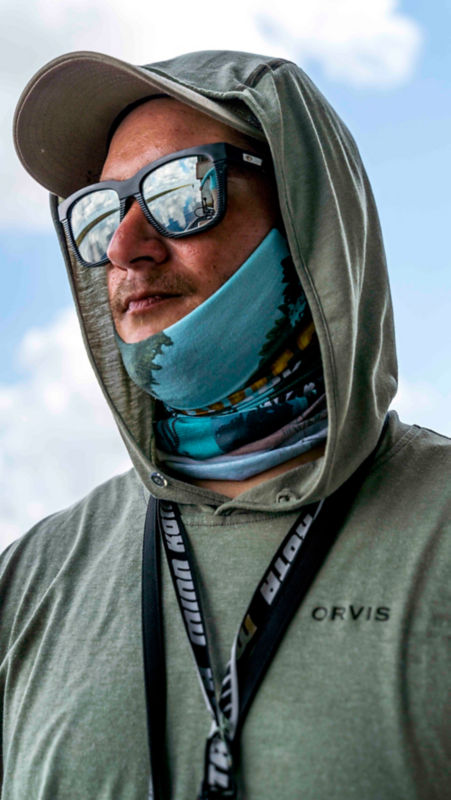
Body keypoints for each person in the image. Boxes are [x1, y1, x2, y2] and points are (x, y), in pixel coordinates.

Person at [1, 49, 449, 800]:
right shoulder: (29, 579)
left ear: (305, 213)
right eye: (101, 212)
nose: (124, 248)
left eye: (180, 190)